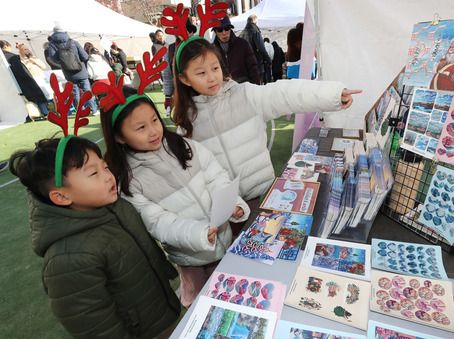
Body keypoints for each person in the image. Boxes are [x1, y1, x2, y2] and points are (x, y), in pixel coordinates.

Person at [9, 137, 181, 338]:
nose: (108, 176)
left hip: (163, 312)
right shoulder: (67, 259)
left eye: (105, 167)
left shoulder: (119, 207)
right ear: (62, 197)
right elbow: (95, 327)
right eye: (93, 173)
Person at [100, 87, 250, 307]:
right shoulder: (130, 182)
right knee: (202, 306)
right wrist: (198, 234)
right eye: (141, 127)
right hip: (191, 258)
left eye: (154, 120)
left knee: (236, 293)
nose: (153, 131)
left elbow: (216, 177)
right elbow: (159, 223)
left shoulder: (184, 145)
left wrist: (232, 204)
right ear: (119, 137)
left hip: (224, 239)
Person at [172, 38, 361, 205]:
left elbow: (285, 94)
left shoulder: (245, 95)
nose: (212, 77)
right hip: (229, 208)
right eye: (201, 73)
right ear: (185, 79)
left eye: (215, 68)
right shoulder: (186, 123)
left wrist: (333, 95)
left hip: (266, 194)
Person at [47, 25, 98, 114]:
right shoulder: (73, 42)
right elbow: (85, 56)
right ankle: (93, 110)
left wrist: (63, 62)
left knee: (75, 93)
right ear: (64, 31)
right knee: (87, 91)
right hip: (81, 70)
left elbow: (53, 59)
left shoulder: (52, 45)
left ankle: (80, 112)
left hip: (68, 72)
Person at [1, 40, 49, 118]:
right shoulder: (12, 56)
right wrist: (29, 78)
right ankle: (45, 113)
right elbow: (21, 71)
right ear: (6, 46)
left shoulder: (2, 59)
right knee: (37, 96)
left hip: (11, 84)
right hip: (24, 81)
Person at [164, 18, 198, 116]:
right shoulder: (171, 49)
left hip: (199, 90)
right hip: (180, 92)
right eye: (180, 30)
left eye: (187, 29)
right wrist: (167, 96)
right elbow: (167, 74)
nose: (185, 32)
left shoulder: (199, 45)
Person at [212, 16, 260, 84]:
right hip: (223, 89)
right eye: (219, 29)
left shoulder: (243, 44)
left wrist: (256, 88)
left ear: (230, 29)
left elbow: (253, 68)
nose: (224, 32)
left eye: (227, 28)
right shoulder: (211, 50)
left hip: (243, 87)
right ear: (215, 32)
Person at [239, 15, 271, 84]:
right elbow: (261, 48)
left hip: (245, 66)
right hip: (256, 65)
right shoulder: (255, 31)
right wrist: (268, 60)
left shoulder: (241, 33)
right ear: (255, 22)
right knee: (257, 88)